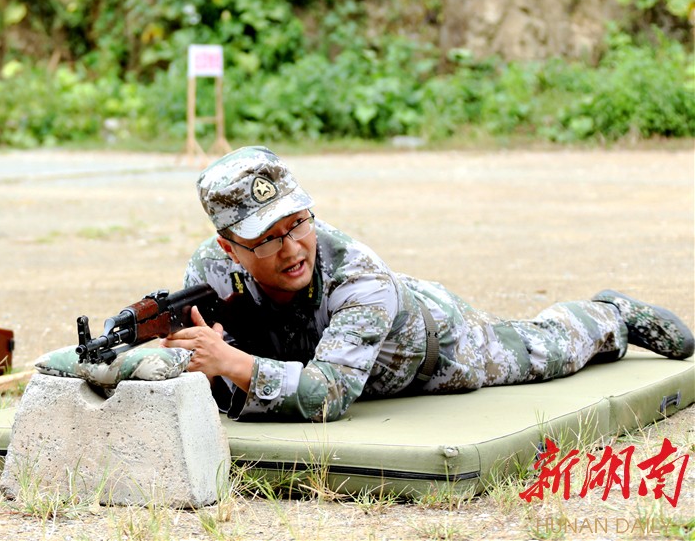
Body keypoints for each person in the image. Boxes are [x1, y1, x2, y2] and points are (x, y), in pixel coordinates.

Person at [162, 146, 694, 422]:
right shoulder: (207, 271)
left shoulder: (358, 276)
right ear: (229, 248)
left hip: (437, 345)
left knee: (545, 350)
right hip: (328, 348)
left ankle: (611, 315)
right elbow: (208, 365)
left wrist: (229, 363)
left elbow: (328, 397)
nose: (293, 247)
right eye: (267, 239)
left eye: (299, 222)